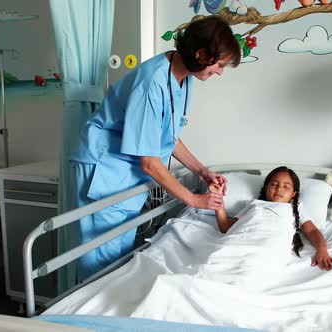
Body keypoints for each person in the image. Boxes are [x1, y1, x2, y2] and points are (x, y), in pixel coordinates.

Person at [70, 16, 241, 282]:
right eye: (219, 64)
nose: (220, 71)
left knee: (116, 256)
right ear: (201, 54)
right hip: (105, 169)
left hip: (124, 173)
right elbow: (149, 161)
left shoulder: (184, 78)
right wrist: (194, 200)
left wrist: (202, 172)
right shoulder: (151, 82)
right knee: (100, 259)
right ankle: (81, 320)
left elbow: (168, 137)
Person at [209, 166, 332, 271]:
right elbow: (226, 227)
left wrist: (322, 249)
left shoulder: (295, 208)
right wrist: (217, 198)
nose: (279, 188)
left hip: (269, 247)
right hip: (238, 244)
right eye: (274, 184)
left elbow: (312, 231)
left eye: (286, 186)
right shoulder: (253, 204)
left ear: (293, 194)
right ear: (266, 189)